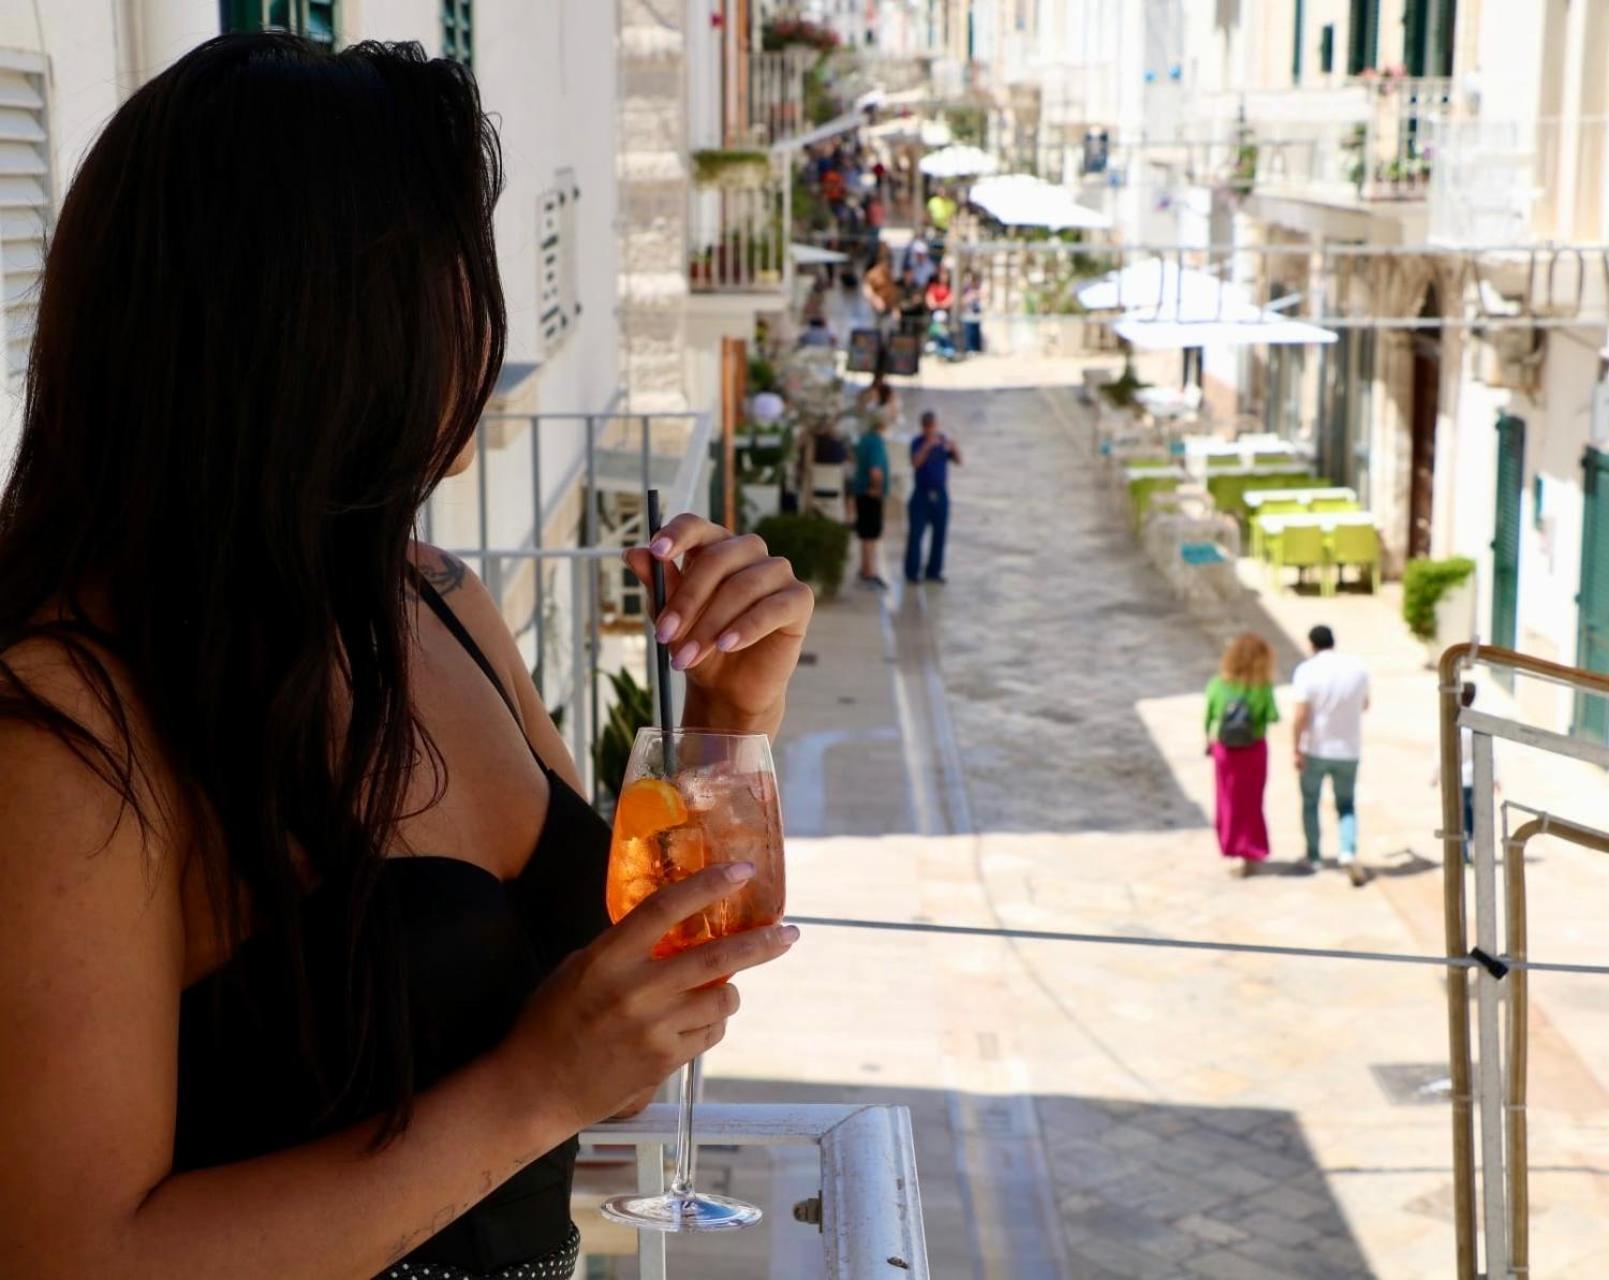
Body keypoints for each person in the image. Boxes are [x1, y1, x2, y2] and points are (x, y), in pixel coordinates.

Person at [0, 34, 813, 1279]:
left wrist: (722, 716)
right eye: (447, 284)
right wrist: (535, 1087)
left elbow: (618, 1065)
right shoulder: (67, 717)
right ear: (309, 333)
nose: (474, 348)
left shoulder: (432, 601)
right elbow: (71, 1253)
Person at [1291, 624, 1370, 885]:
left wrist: (1296, 748)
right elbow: (1366, 704)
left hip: (1316, 748)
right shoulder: (1357, 668)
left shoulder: (1306, 671)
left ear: (1312, 644)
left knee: (1310, 802)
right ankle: (1347, 851)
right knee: (1346, 804)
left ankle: (1314, 855)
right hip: (1348, 749)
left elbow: (1301, 714)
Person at [1204, 635, 1280, 876]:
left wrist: (1208, 739)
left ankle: (1232, 846)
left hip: (1225, 752)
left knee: (1227, 800)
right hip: (1253, 750)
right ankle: (1251, 850)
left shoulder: (1218, 684)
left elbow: (1208, 717)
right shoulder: (1263, 688)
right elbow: (1273, 716)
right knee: (1252, 801)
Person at [905, 410, 961, 584]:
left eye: (933, 426)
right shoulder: (917, 442)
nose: (931, 430)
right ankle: (912, 572)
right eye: (928, 426)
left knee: (940, 534)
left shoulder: (943, 441)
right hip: (921, 493)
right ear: (923, 427)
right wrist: (927, 446)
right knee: (916, 534)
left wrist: (954, 448)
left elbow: (958, 461)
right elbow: (915, 463)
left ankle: (934, 571)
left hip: (940, 493)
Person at [852, 389, 893, 588]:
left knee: (865, 533)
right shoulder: (876, 442)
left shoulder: (864, 439)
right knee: (871, 534)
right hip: (870, 494)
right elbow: (876, 471)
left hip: (861, 491)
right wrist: (876, 489)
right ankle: (870, 571)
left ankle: (864, 567)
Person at [863, 243, 900, 334]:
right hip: (876, 310)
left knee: (891, 333)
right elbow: (866, 289)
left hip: (889, 310)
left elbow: (894, 292)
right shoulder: (873, 273)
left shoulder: (891, 274)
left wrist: (895, 307)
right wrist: (875, 299)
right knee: (875, 332)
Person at [961, 271, 985, 354]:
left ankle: (977, 348)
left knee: (977, 332)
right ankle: (970, 348)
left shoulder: (978, 289)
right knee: (969, 332)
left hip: (977, 312)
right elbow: (963, 301)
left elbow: (984, 296)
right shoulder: (966, 289)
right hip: (969, 312)